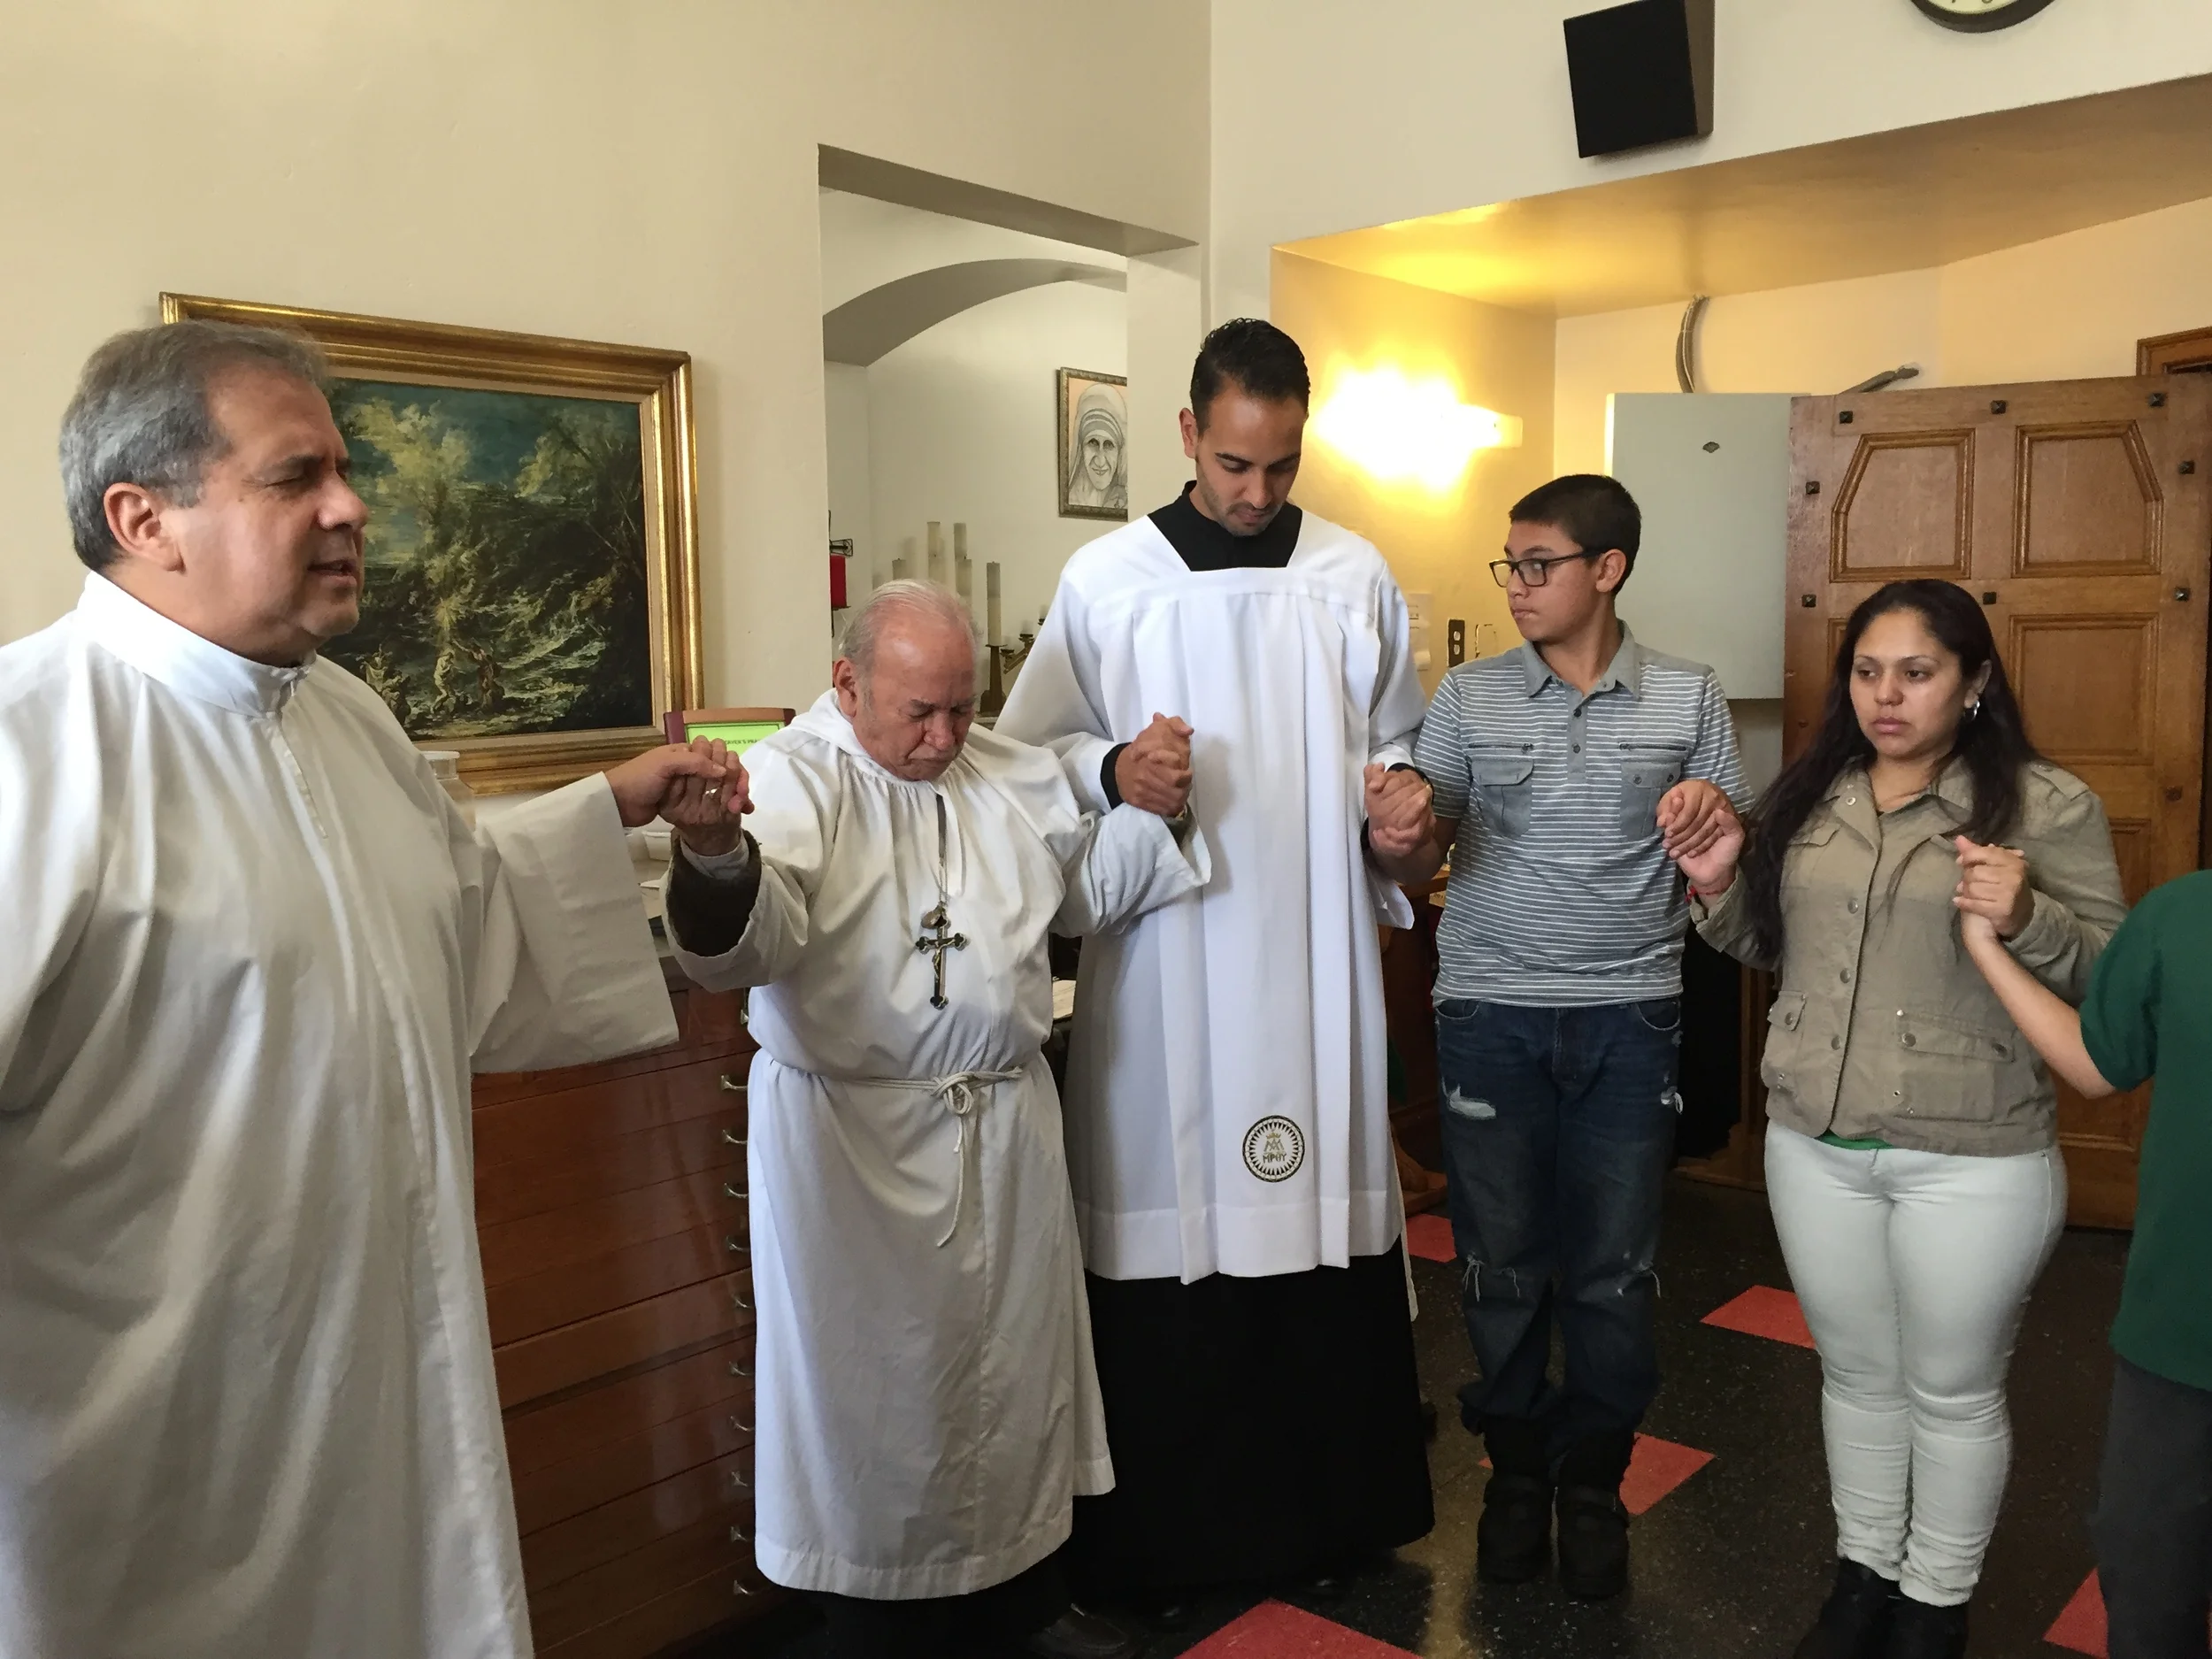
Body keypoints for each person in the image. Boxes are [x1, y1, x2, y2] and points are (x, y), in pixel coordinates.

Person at [0, 321, 736, 1658]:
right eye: (298, 477)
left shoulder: (348, 716)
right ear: (142, 515)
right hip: (143, 1454)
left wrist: (607, 807)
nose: (353, 507)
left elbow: (454, 919)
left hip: (378, 1390)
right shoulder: (28, 751)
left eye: (346, 469)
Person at [658, 580, 1209, 1659]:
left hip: (1001, 1126)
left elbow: (1081, 892)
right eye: (919, 711)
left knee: (1014, 1375)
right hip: (853, 1146)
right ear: (848, 682)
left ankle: (1024, 1602)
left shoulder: (1001, 768)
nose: (946, 735)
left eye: (963, 706)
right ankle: (875, 1620)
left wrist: (1155, 809)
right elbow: (749, 943)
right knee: (879, 1393)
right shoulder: (792, 780)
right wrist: (717, 854)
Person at [995, 318, 1438, 1609]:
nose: (1257, 493)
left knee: (1318, 1233)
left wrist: (1401, 807)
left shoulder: (1353, 575)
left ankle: (1337, 1517)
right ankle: (1162, 1544)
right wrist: (1108, 768)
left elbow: (1398, 760)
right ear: (1189, 432)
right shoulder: (1108, 579)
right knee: (1167, 1242)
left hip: (1312, 969)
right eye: (1236, 462)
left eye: (1282, 466)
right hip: (1169, 968)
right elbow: (1026, 762)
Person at [1678, 580, 2126, 1659]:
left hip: (1968, 1154)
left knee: (1954, 1392)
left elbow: (2112, 979)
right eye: (1867, 671)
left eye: (1916, 673)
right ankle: (1862, 1577)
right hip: (1814, 1143)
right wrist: (1715, 885)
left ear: (1972, 684)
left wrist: (2028, 915)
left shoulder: (2041, 804)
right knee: (1856, 1377)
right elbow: (1774, 947)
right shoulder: (1817, 791)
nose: (1886, 696)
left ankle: (1934, 1604)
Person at [1386, 473, 1746, 1600]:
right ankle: (1515, 1476)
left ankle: (1594, 1483)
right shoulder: (1467, 698)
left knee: (1611, 1271)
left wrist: (1710, 825)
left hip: (1631, 1019)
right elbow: (1414, 852)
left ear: (1607, 570)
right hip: (1490, 1011)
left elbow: (1727, 869)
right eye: (1509, 564)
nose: (1515, 587)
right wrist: (1395, 827)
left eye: (1535, 564)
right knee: (1499, 1263)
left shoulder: (1688, 696)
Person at [1961, 868, 2212, 1659]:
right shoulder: (2184, 913)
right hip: (2182, 1321)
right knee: (2146, 1565)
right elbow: (2097, 1062)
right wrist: (1984, 946)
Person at [1064, 380, 1128, 513]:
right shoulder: (1073, 499)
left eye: (1109, 445)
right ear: (1080, 448)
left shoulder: (1129, 504)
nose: (1100, 461)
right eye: (1092, 443)